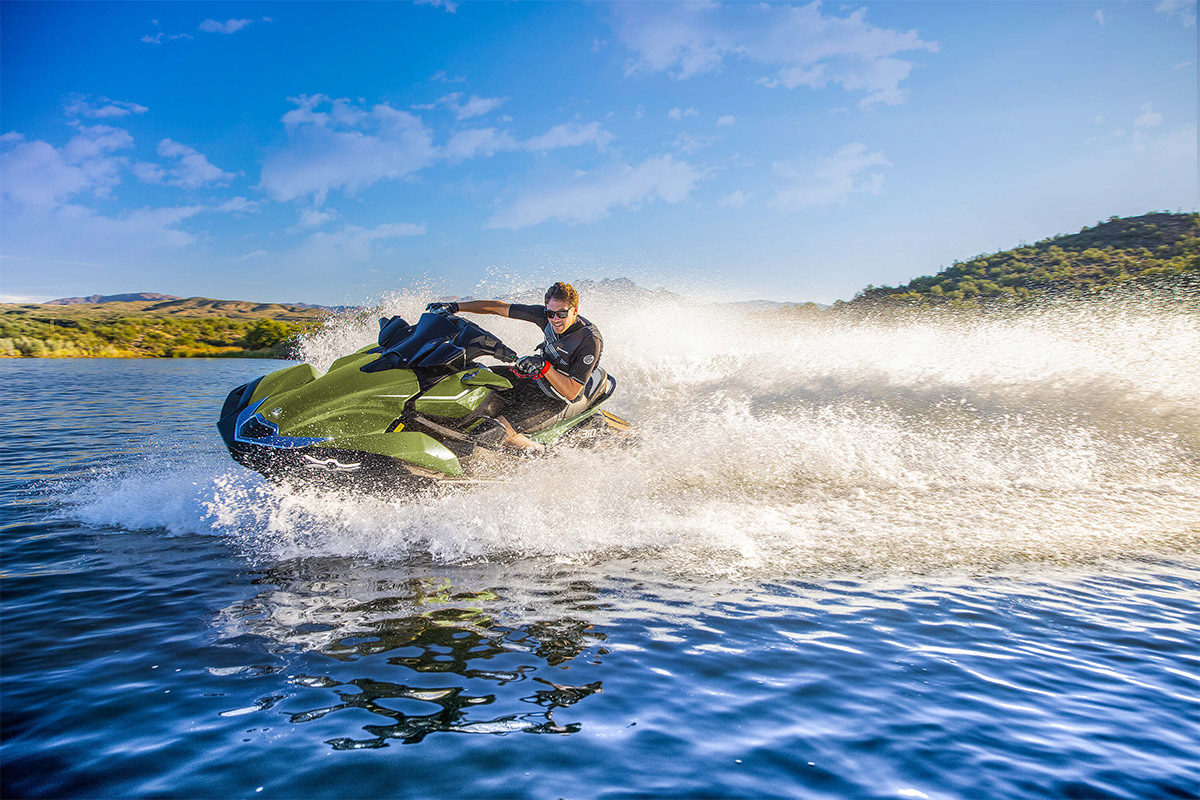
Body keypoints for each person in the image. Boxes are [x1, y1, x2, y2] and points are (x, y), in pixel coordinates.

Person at [426, 282, 603, 452]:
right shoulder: (546, 316)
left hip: (553, 398)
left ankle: (546, 454)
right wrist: (455, 306)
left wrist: (544, 366)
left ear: (575, 310)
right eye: (550, 313)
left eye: (562, 314)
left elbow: (571, 392)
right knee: (473, 376)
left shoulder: (589, 340)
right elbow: (499, 308)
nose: (555, 319)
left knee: (497, 434)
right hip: (533, 378)